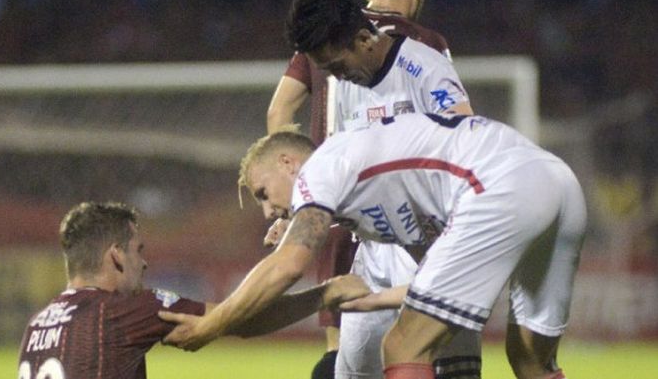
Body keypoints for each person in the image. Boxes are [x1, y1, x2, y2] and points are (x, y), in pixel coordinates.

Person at [161, 110, 586, 379]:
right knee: (532, 363)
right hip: (557, 184)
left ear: (288, 164)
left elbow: (286, 267)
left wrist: (209, 326)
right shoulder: (378, 207)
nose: (268, 210)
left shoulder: (323, 169)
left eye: (262, 192)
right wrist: (361, 296)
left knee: (403, 348)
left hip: (502, 183)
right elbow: (443, 280)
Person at [265, 0, 478, 379]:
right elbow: (460, 132)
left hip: (339, 214)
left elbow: (279, 112)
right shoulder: (425, 43)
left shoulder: (323, 39)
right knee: (423, 343)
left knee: (342, 346)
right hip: (407, 218)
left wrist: (302, 195)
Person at [17, 201, 370, 379]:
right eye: (138, 250)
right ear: (116, 256)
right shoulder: (123, 310)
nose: (145, 264)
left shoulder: (37, 324)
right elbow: (240, 317)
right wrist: (324, 294)